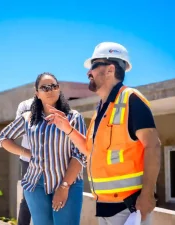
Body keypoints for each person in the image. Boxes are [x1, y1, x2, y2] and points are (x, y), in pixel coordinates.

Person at [45, 42, 161, 225]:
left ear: (110, 69)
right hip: (105, 207)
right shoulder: (101, 109)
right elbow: (89, 149)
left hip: (130, 208)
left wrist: (147, 194)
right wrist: (67, 128)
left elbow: (153, 145)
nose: (88, 72)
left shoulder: (131, 99)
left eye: (93, 66)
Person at [0, 72, 87, 225]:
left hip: (67, 183)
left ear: (59, 89)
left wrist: (64, 186)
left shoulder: (73, 118)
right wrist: (26, 152)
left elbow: (80, 154)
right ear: (37, 94)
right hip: (35, 185)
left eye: (54, 86)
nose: (50, 90)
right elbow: (2, 138)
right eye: (44, 87)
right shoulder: (28, 118)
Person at [15, 98, 33, 225]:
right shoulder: (25, 105)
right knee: (27, 198)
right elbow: (18, 129)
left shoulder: (58, 105)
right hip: (28, 160)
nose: (49, 90)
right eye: (43, 87)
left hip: (53, 160)